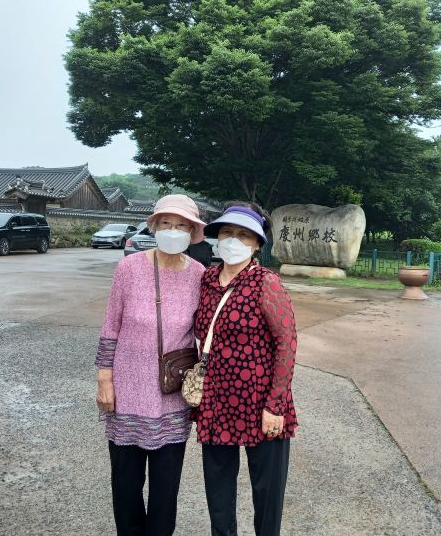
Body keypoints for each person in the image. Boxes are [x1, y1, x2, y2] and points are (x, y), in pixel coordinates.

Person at [95, 194, 207, 536]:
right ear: (155, 226)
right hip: (128, 392)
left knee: (165, 488)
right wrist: (104, 380)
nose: (173, 230)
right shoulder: (129, 268)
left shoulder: (199, 275)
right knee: (125, 484)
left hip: (172, 396)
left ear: (192, 232)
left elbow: (206, 332)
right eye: (166, 223)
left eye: (182, 226)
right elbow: (111, 326)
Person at [194, 203, 298, 536]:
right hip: (217, 400)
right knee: (218, 491)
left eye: (243, 235)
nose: (233, 240)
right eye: (227, 233)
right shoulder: (207, 280)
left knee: (267, 493)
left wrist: (276, 406)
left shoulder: (266, 283)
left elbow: (286, 344)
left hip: (262, 401)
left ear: (256, 244)